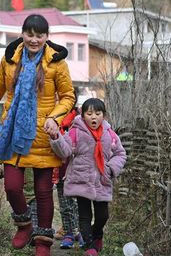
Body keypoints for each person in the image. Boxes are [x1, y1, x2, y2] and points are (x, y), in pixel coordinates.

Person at [0, 14, 75, 256]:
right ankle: (24, 225)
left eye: (39, 35)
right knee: (12, 187)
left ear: (46, 37)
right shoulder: (10, 60)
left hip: (42, 134)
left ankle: (42, 243)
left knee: (43, 192)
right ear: (22, 34)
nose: (34, 39)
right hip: (12, 133)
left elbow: (68, 97)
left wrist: (54, 118)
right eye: (29, 34)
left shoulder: (57, 64)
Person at [48, 98, 127, 255]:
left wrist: (111, 169)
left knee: (103, 215)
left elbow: (120, 153)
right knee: (85, 215)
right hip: (81, 179)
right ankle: (90, 246)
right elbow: (65, 151)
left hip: (102, 180)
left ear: (103, 116)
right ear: (83, 115)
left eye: (97, 113)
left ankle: (96, 234)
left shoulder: (110, 135)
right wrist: (56, 138)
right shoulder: (76, 132)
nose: (93, 117)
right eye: (89, 113)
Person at [55, 91, 84, 249]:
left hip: (76, 167)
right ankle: (68, 233)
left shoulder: (80, 118)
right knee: (65, 203)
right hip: (59, 168)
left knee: (78, 203)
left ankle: (79, 231)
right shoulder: (51, 116)